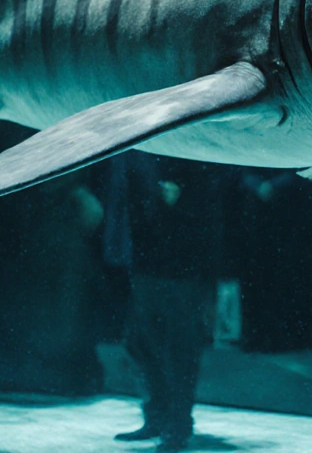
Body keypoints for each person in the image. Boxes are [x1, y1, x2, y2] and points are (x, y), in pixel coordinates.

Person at [113, 152, 223, 453]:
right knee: (141, 343)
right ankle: (158, 418)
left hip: (181, 260)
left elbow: (211, 191)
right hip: (147, 257)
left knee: (178, 347)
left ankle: (176, 425)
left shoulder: (192, 149)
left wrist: (179, 196)